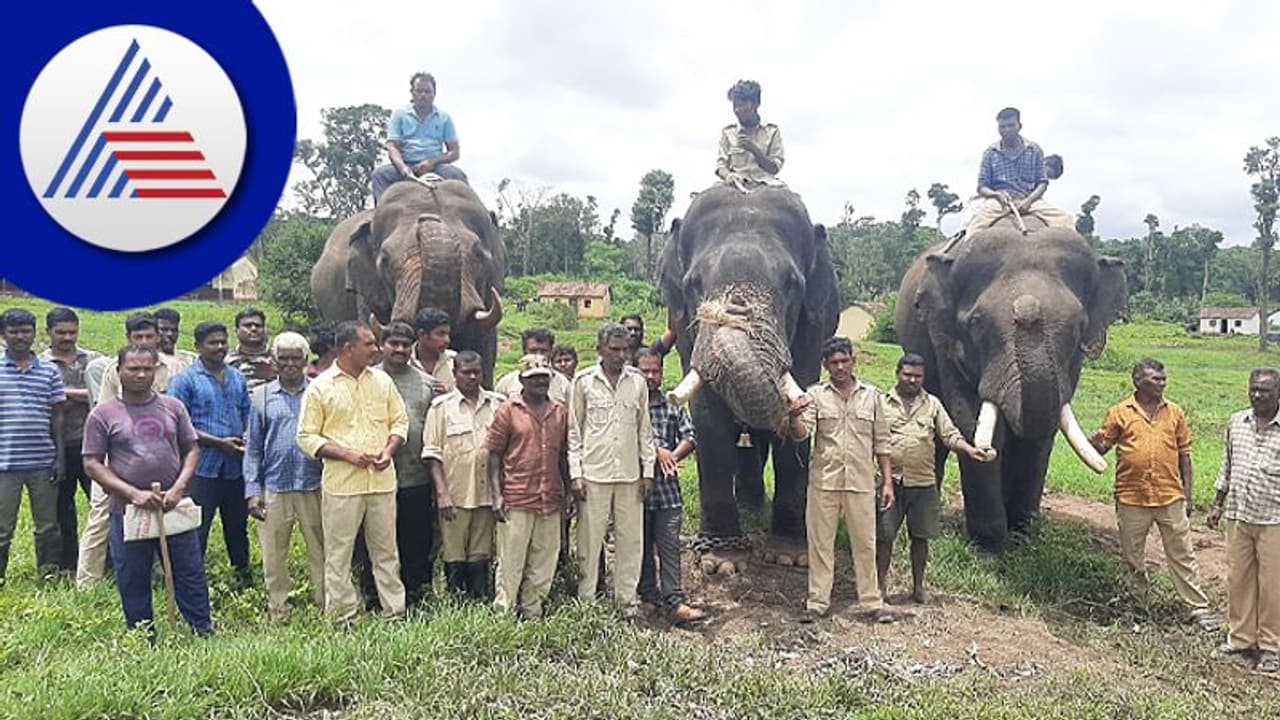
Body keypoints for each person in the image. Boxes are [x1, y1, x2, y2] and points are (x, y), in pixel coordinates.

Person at [82, 345, 209, 634]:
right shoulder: (103, 414)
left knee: (189, 572)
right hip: (127, 509)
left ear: (155, 370)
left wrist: (178, 488)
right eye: (133, 369)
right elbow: (92, 463)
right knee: (133, 575)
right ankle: (142, 635)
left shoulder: (173, 407)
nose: (141, 374)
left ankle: (203, 630)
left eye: (147, 369)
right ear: (118, 371)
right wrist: (132, 493)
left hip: (173, 506)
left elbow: (192, 449)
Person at [1088, 358, 1220, 632]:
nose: (1162, 383)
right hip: (1131, 497)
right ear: (1138, 381)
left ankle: (1198, 607)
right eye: (1155, 379)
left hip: (1170, 496)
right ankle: (1139, 607)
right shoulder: (1119, 413)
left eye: (1163, 379)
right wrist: (1094, 442)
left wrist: (1188, 495)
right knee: (1132, 555)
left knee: (1182, 553)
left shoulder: (1175, 413)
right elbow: (1103, 449)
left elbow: (1185, 456)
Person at [297, 321, 409, 622]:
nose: (376, 349)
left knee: (386, 552)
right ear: (349, 348)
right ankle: (343, 616)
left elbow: (400, 422)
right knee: (339, 554)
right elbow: (307, 437)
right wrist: (347, 455)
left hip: (382, 482)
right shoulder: (321, 387)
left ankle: (394, 612)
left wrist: (388, 451)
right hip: (342, 484)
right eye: (370, 344)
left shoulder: (383, 382)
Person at [875, 354, 994, 604]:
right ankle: (880, 587)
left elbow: (949, 435)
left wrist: (971, 450)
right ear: (897, 373)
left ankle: (918, 588)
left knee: (921, 537)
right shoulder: (881, 403)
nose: (912, 380)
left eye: (917, 376)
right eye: (907, 374)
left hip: (923, 484)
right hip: (890, 483)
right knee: (884, 537)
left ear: (923, 378)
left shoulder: (932, 405)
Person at [77, 312, 183, 589]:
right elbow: (106, 413)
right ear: (128, 339)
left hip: (161, 452)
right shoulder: (116, 368)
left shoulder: (174, 367)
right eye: (139, 337)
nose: (145, 342)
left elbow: (178, 414)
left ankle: (162, 575)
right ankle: (87, 582)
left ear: (158, 337)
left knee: (169, 514)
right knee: (101, 514)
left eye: (150, 336)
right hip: (118, 456)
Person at [796, 336, 894, 624]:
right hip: (825, 481)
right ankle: (817, 602)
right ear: (825, 365)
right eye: (834, 362)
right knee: (820, 544)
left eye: (844, 361)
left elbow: (883, 442)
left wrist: (887, 482)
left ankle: (871, 602)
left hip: (861, 483)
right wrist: (792, 418)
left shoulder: (872, 396)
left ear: (853, 361)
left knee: (865, 543)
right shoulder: (815, 395)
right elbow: (803, 434)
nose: (840, 367)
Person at [569, 323, 657, 616]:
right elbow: (574, 432)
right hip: (593, 475)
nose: (621, 356)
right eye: (615, 349)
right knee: (589, 542)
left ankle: (626, 601)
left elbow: (645, 430)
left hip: (630, 475)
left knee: (631, 541)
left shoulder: (638, 383)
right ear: (600, 349)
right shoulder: (583, 382)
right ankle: (586, 600)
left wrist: (648, 472)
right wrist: (575, 474)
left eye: (626, 350)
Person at [244, 332, 325, 622]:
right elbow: (253, 448)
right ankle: (279, 610)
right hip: (274, 488)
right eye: (284, 358)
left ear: (306, 361)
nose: (290, 364)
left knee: (321, 550)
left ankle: (325, 603)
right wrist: (253, 491)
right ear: (274, 362)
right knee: (274, 555)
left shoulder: (319, 391)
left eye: (296, 358)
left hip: (313, 485)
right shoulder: (261, 396)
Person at [168, 321, 253, 587]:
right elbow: (177, 424)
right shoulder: (184, 380)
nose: (219, 347)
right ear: (197, 347)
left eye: (222, 341)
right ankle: (192, 581)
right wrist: (218, 442)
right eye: (212, 343)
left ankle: (243, 578)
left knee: (237, 527)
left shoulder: (237, 377)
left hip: (235, 467)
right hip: (202, 468)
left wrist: (247, 438)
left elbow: (246, 412)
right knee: (197, 528)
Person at [486, 355, 571, 619]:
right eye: (534, 378)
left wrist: (567, 493)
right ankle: (504, 614)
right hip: (517, 496)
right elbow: (493, 455)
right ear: (522, 380)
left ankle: (533, 613)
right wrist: (496, 496)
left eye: (545, 377)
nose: (540, 383)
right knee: (511, 563)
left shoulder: (559, 412)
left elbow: (564, 456)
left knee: (544, 562)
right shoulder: (508, 410)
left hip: (550, 498)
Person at [1208, 368, 1280, 673]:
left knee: (1272, 586)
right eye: (1253, 389)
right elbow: (1228, 463)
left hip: (1274, 518)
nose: (1257, 395)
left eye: (1264, 391)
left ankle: (1270, 647)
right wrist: (1217, 504)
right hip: (1239, 514)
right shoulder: (1237, 422)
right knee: (1238, 579)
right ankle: (1240, 639)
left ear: (1278, 393)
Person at [360, 321, 436, 607]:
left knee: (415, 540)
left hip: (414, 477)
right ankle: (374, 597)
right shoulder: (366, 379)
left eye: (406, 344)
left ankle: (416, 598)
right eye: (394, 343)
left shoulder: (426, 383)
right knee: (375, 543)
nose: (400, 349)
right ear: (382, 345)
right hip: (373, 477)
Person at [423, 350, 504, 599]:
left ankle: (479, 600)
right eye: (465, 372)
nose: (471, 377)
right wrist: (442, 493)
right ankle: (456, 601)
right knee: (454, 552)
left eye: (476, 372)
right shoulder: (441, 408)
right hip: (455, 494)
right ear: (455, 374)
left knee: (481, 552)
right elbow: (432, 454)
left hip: (486, 494)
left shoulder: (497, 404)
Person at [634, 348, 705, 625]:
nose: (651, 376)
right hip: (636, 492)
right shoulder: (630, 405)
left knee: (669, 547)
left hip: (668, 492)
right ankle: (648, 597)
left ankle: (674, 600)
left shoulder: (673, 404)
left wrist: (672, 456)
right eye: (645, 371)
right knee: (640, 548)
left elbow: (690, 435)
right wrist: (657, 451)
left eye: (656, 371)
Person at [0, 308, 66, 581]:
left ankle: (48, 574)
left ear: (35, 333)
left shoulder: (49, 371)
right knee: (3, 526)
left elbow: (58, 417)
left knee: (48, 525)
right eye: (13, 332)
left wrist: (59, 457)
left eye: (26, 331)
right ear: (3, 335)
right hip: (5, 463)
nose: (20, 337)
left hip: (42, 462)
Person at [40, 307, 101, 572]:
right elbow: (43, 399)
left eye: (72, 332)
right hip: (57, 445)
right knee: (62, 508)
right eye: (61, 332)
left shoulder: (95, 360)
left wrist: (62, 392)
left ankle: (105, 561)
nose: (67, 337)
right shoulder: (40, 364)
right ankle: (67, 565)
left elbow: (102, 396)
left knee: (100, 505)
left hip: (94, 444)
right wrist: (83, 394)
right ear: (48, 332)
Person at [965, 107, 1074, 234]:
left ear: (1019, 126)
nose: (1006, 130)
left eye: (1011, 125)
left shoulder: (1034, 150)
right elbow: (982, 186)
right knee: (974, 228)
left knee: (1066, 220)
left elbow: (1042, 182)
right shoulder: (990, 153)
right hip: (999, 201)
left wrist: (1029, 200)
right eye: (1002, 127)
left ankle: (1082, 253)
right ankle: (960, 253)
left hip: (1030, 199)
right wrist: (995, 195)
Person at [371, 72, 466, 204]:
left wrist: (432, 162)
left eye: (427, 92)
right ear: (412, 93)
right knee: (379, 175)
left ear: (434, 94)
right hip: (406, 166)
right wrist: (403, 168)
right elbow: (392, 147)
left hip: (436, 167)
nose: (423, 95)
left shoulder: (444, 118)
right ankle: (380, 219)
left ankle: (480, 221)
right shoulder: (400, 115)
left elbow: (454, 152)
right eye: (419, 91)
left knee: (457, 176)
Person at [715, 79, 784, 190]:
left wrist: (755, 150)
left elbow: (775, 168)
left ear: (756, 104)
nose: (737, 110)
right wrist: (729, 175)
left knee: (793, 204)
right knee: (702, 202)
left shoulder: (772, 131)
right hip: (735, 184)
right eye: (735, 106)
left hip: (767, 185)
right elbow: (721, 165)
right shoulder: (728, 132)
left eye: (741, 105)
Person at [494, 327, 572, 403]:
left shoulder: (563, 384)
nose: (538, 355)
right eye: (533, 351)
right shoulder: (507, 383)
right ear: (524, 352)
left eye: (543, 351)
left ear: (551, 352)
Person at [226, 308, 276, 388]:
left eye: (258, 326)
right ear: (236, 331)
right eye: (247, 325)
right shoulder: (226, 362)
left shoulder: (278, 359)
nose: (253, 329)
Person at [411, 307, 456, 394]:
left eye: (448, 334)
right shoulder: (405, 362)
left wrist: (447, 397)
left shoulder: (454, 361)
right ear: (422, 335)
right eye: (441, 334)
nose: (447, 340)